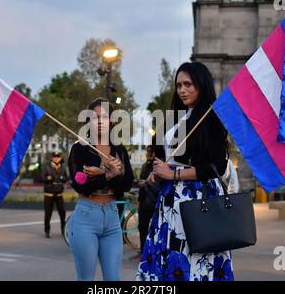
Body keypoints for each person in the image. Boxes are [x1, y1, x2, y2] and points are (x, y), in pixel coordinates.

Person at [136, 62, 233, 281]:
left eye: (188, 84)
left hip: (198, 199)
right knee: (170, 261)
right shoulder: (174, 119)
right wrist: (159, 172)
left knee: (195, 259)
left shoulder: (212, 117)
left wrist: (174, 175)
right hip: (169, 201)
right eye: (179, 85)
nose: (182, 90)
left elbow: (217, 166)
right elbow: (168, 158)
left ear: (201, 85)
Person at [67, 97, 134, 281]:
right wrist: (109, 174)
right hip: (86, 217)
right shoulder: (80, 150)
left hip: (112, 218)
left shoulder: (119, 150)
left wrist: (100, 174)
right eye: (95, 117)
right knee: (86, 278)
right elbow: (80, 184)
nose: (99, 122)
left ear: (111, 121)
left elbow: (127, 183)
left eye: (104, 117)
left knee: (113, 279)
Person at [137, 145, 159, 258]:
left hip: (154, 201)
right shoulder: (145, 166)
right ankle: (143, 252)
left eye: (151, 152)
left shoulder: (157, 166)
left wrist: (145, 182)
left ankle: (153, 253)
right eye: (148, 151)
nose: (148, 154)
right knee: (142, 227)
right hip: (144, 201)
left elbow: (157, 183)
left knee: (155, 229)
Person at [42, 152, 68, 238]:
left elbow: (66, 178)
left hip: (59, 193)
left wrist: (61, 178)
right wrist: (48, 178)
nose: (56, 158)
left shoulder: (63, 167)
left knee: (62, 213)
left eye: (58, 157)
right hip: (49, 193)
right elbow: (42, 178)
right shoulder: (46, 166)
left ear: (60, 158)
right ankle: (47, 231)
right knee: (48, 214)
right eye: (55, 157)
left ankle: (63, 230)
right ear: (52, 158)